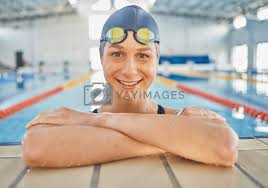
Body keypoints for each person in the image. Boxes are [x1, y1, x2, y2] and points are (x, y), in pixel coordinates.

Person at [22, 5, 238, 168]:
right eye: (117, 54)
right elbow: (34, 147)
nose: (129, 70)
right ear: (101, 60)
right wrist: (179, 142)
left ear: (156, 62)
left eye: (143, 55)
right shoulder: (183, 120)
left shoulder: (83, 122)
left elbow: (225, 146)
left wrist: (96, 119)